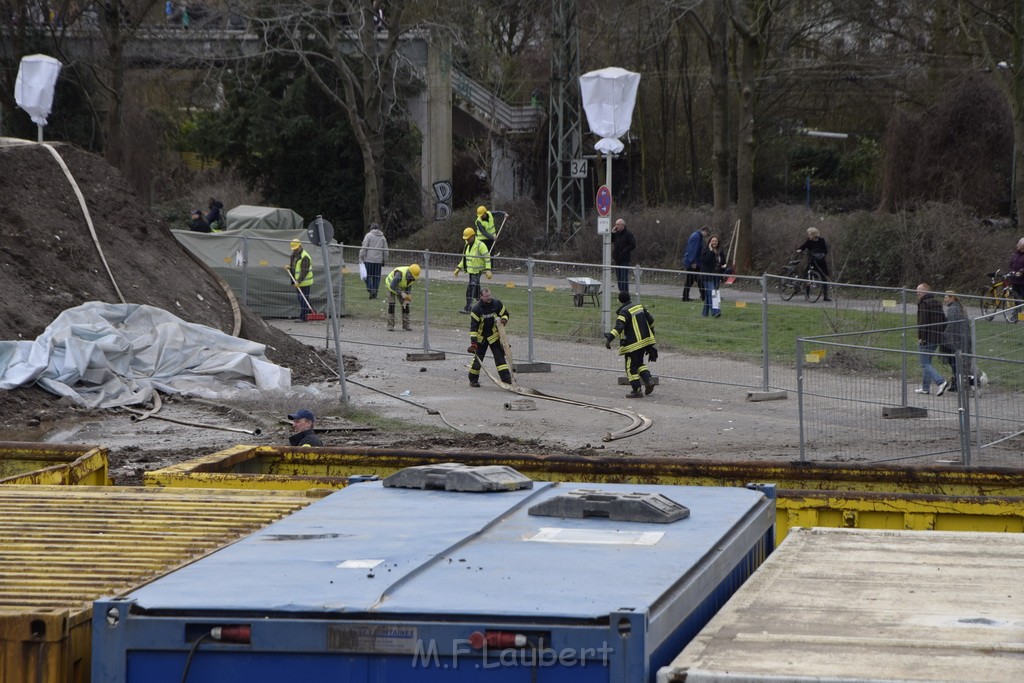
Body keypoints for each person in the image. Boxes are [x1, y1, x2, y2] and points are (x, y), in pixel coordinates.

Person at [604, 291, 658, 398]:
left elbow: (619, 327)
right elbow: (651, 321)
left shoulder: (623, 312)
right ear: (629, 298)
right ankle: (648, 380)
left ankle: (637, 390)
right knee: (639, 364)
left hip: (632, 345)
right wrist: (651, 338)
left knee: (630, 368)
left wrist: (609, 338)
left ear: (619, 300)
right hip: (644, 342)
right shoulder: (640, 307)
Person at [467, 288, 511, 387]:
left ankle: (507, 381)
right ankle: (473, 380)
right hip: (481, 338)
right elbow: (473, 328)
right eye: (486, 296)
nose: (489, 298)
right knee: (478, 359)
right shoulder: (476, 309)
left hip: (493, 336)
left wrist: (504, 320)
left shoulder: (497, 304)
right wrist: (473, 344)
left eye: (489, 295)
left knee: (500, 360)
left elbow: (505, 314)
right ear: (481, 297)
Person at [915, 283, 948, 396]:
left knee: (924, 363)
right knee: (927, 362)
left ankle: (941, 381)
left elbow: (922, 323)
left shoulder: (924, 304)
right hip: (937, 337)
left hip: (927, 338)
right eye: (917, 291)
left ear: (925, 292)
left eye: (919, 291)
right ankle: (925, 388)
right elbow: (944, 320)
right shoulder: (937, 302)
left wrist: (922, 338)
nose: (917, 293)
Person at [454, 227, 492, 313]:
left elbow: (487, 258)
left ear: (473, 236)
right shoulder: (467, 245)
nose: (466, 240)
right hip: (471, 272)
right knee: (477, 292)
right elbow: (465, 259)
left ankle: (468, 308)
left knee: (470, 289)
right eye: (465, 238)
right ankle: (484, 306)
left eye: (467, 238)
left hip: (477, 271)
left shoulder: (480, 245)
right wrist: (458, 267)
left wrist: (488, 269)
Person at [941, 291, 970, 393]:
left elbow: (951, 326)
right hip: (961, 339)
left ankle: (958, 384)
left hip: (954, 340)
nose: (944, 300)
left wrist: (944, 336)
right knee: (956, 362)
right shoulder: (959, 308)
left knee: (954, 362)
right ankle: (956, 383)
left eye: (946, 298)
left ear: (952, 298)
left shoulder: (953, 309)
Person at [795, 226, 831, 301]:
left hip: (821, 261)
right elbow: (803, 246)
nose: (808, 236)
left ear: (814, 235)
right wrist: (800, 250)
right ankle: (807, 295)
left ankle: (825, 296)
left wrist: (821, 255)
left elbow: (825, 250)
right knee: (808, 277)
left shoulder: (821, 240)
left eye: (810, 234)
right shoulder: (809, 241)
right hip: (812, 261)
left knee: (824, 278)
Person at [385, 263, 420, 331]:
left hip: (401, 288)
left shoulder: (412, 277)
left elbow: (409, 285)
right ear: (409, 273)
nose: (413, 278)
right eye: (412, 276)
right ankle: (390, 325)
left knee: (406, 305)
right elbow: (392, 285)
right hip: (391, 287)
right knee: (391, 305)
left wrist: (408, 295)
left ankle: (406, 325)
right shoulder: (399, 274)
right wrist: (401, 293)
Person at [700, 235, 728, 318]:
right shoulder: (706, 250)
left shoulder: (720, 251)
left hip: (717, 275)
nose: (714, 242)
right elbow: (705, 260)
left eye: (716, 241)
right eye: (713, 241)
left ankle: (704, 313)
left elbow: (724, 262)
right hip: (707, 276)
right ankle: (716, 312)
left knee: (710, 294)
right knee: (713, 293)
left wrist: (724, 267)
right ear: (710, 242)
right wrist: (711, 251)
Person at [358, 222, 388, 299]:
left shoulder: (368, 236)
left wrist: (361, 257)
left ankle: (371, 290)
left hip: (369, 260)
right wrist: (385, 260)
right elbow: (385, 250)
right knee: (376, 277)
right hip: (378, 261)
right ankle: (375, 292)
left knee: (366, 276)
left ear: (371, 228)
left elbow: (364, 247)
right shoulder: (382, 238)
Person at [287, 239, 314, 322]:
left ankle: (304, 317)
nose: (294, 249)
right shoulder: (294, 255)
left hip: (304, 281)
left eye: (296, 248)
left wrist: (299, 281)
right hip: (297, 281)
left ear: (300, 246)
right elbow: (294, 266)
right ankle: (311, 312)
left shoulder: (305, 256)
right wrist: (289, 267)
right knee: (302, 299)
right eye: (293, 248)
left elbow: (304, 271)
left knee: (303, 299)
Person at [682, 226, 708, 302]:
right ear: (704, 231)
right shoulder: (697, 237)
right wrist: (693, 261)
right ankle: (703, 296)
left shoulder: (696, 236)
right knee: (697, 279)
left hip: (693, 261)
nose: (705, 235)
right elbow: (694, 249)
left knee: (691, 280)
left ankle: (686, 297)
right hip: (694, 262)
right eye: (706, 233)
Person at [611, 218, 636, 293]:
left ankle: (625, 293)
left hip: (624, 259)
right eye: (616, 224)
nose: (617, 226)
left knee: (624, 277)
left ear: (623, 225)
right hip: (617, 259)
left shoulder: (628, 234)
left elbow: (633, 245)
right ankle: (621, 292)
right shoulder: (616, 234)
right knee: (618, 277)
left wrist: (624, 250)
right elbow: (610, 240)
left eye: (618, 225)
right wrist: (612, 232)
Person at [1008, 237, 1024, 303]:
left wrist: (1021, 271)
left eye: (1018, 244)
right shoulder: (1015, 255)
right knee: (1016, 299)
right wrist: (1011, 272)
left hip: (1023, 282)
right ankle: (1017, 312)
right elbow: (1011, 265)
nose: (1017, 245)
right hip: (1015, 281)